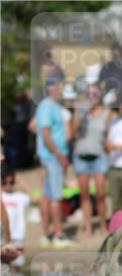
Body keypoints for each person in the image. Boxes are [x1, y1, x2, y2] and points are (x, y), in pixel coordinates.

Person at [35, 75, 71, 247]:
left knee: (49, 196)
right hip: (52, 158)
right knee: (55, 197)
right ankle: (58, 234)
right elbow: (46, 135)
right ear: (49, 88)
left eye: (59, 85)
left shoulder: (55, 106)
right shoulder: (46, 106)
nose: (58, 88)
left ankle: (47, 235)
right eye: (55, 85)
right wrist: (60, 156)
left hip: (52, 158)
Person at [71, 84, 111, 238]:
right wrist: (81, 114)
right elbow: (73, 134)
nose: (92, 96)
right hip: (81, 156)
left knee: (101, 194)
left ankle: (102, 225)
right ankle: (87, 226)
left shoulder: (106, 113)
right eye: (89, 93)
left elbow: (108, 136)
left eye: (95, 93)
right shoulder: (80, 112)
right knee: (85, 195)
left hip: (99, 157)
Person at [1, 167, 29, 267]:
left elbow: (36, 200)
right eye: (4, 182)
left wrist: (23, 184)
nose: (8, 185)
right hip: (3, 238)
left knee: (18, 267)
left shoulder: (19, 196)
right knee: (7, 268)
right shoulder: (1, 196)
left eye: (11, 182)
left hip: (17, 237)